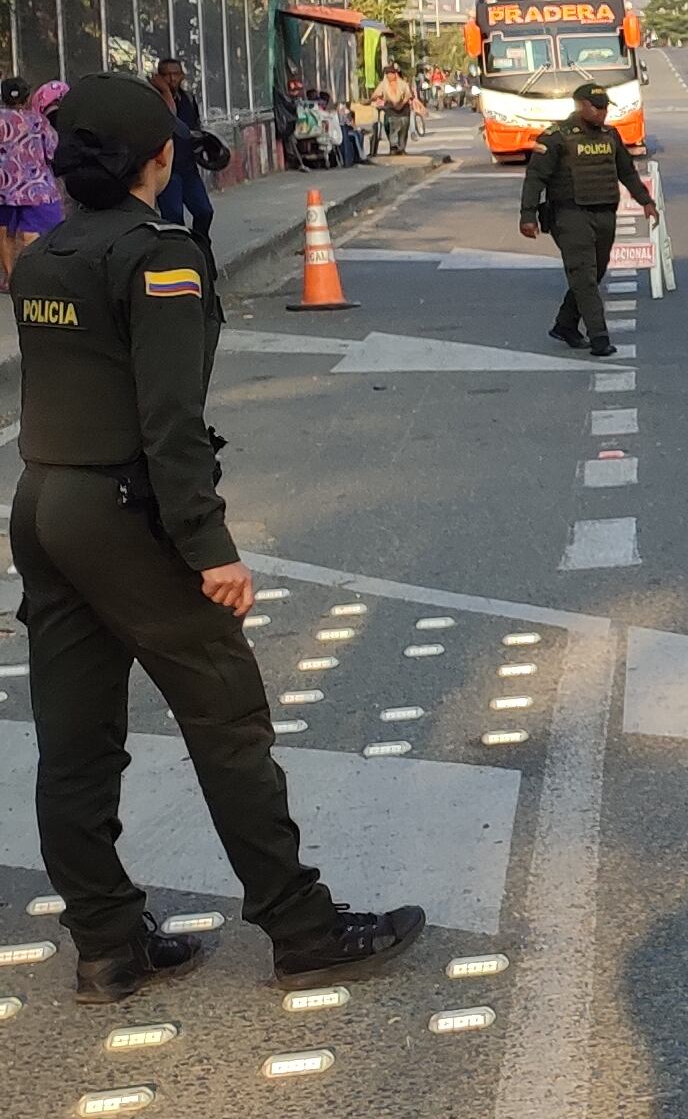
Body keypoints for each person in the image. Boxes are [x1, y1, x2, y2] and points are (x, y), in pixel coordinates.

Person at [18, 76, 426, 1002]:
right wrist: (208, 548)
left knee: (76, 742)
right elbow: (168, 423)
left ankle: (107, 944)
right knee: (225, 715)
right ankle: (300, 926)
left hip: (42, 501)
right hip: (121, 512)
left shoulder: (44, 257)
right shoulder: (157, 256)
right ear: (155, 159)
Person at [518, 81, 655, 358]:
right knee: (584, 275)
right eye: (597, 107)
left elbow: (626, 172)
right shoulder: (556, 137)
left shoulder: (610, 135)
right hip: (569, 214)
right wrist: (528, 215)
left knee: (597, 271)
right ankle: (599, 338)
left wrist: (645, 201)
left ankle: (565, 324)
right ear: (581, 106)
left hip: (604, 212)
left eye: (606, 107)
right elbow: (535, 178)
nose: (603, 113)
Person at [149, 59, 218, 242]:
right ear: (158, 77)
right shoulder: (154, 99)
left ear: (182, 76)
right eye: (166, 75)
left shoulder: (188, 98)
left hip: (188, 168)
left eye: (176, 74)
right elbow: (171, 119)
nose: (172, 79)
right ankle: (180, 255)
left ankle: (200, 246)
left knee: (204, 211)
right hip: (167, 170)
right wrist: (164, 91)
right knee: (174, 219)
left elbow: (194, 127)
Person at [0, 74, 58, 279]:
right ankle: (31, 276)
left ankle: (9, 277)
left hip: (4, 188)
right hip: (35, 188)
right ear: (27, 98)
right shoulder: (38, 121)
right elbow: (51, 150)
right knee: (31, 233)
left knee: (5, 233)